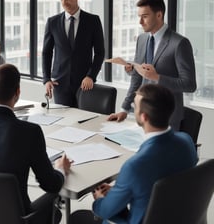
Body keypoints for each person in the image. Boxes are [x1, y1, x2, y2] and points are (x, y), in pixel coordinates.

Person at [0, 63, 71, 224]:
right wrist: (61, 170)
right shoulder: (30, 132)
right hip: (16, 219)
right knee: (54, 212)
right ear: (17, 93)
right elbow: (50, 184)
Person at [71, 84, 198, 224]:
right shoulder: (187, 142)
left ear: (143, 117)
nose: (133, 108)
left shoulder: (136, 166)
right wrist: (121, 188)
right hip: (178, 217)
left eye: (134, 105)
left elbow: (104, 210)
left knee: (77, 218)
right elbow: (162, 180)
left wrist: (101, 199)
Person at [107, 0, 196, 130]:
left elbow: (190, 85)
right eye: (139, 17)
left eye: (145, 16)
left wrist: (157, 77)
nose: (140, 22)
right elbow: (137, 79)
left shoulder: (179, 43)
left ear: (159, 15)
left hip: (167, 119)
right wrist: (124, 108)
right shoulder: (142, 39)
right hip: (143, 115)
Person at [42, 0, 105, 107]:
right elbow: (46, 53)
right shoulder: (52, 22)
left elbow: (100, 52)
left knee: (83, 121)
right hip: (59, 84)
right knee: (63, 121)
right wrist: (46, 79)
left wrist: (91, 76)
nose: (64, 2)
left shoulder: (93, 21)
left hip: (85, 83)